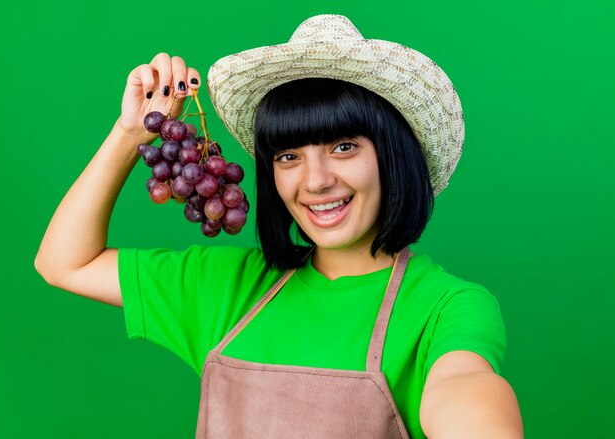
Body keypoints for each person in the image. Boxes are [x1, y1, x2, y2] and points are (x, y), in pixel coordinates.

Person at [35, 14, 523, 439]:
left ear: (391, 156)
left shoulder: (446, 306)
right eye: (289, 156)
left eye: (343, 147)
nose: (315, 181)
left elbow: (464, 386)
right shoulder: (227, 285)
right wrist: (131, 135)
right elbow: (63, 263)